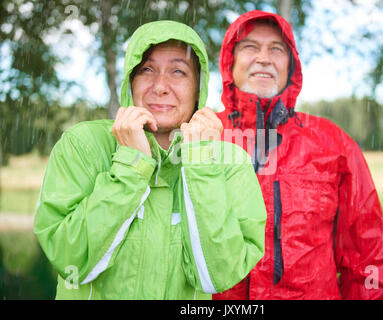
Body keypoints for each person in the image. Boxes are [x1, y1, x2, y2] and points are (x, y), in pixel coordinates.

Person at [33, 20, 267, 300]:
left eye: (178, 71)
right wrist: (132, 164)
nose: (160, 86)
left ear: (198, 89)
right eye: (147, 69)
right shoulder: (82, 145)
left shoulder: (229, 161)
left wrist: (201, 164)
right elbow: (71, 260)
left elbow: (218, 275)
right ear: (130, 81)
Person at [213, 10, 383, 300]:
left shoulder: (333, 145)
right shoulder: (203, 137)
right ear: (229, 61)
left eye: (276, 49)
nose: (263, 57)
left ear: (291, 66)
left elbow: (366, 255)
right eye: (250, 47)